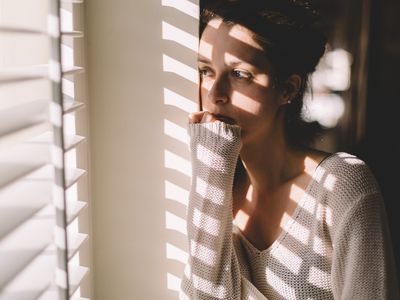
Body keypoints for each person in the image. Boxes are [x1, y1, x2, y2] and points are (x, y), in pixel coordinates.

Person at [179, 0, 399, 299]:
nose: (215, 94)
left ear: (288, 89)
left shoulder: (341, 186)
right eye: (206, 71)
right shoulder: (217, 188)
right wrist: (212, 164)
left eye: (240, 75)